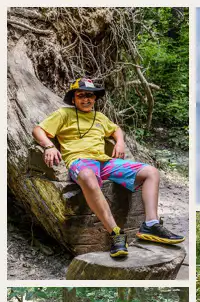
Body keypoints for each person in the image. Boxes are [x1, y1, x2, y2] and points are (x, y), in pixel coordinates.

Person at [32, 77, 185, 258]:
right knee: (88, 176)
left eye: (90, 95)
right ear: (73, 99)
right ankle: (116, 233)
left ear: (95, 99)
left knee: (151, 172)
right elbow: (38, 130)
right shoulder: (63, 114)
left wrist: (119, 142)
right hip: (80, 161)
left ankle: (151, 224)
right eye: (81, 95)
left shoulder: (100, 117)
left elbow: (115, 129)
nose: (86, 99)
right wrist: (48, 146)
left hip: (104, 162)